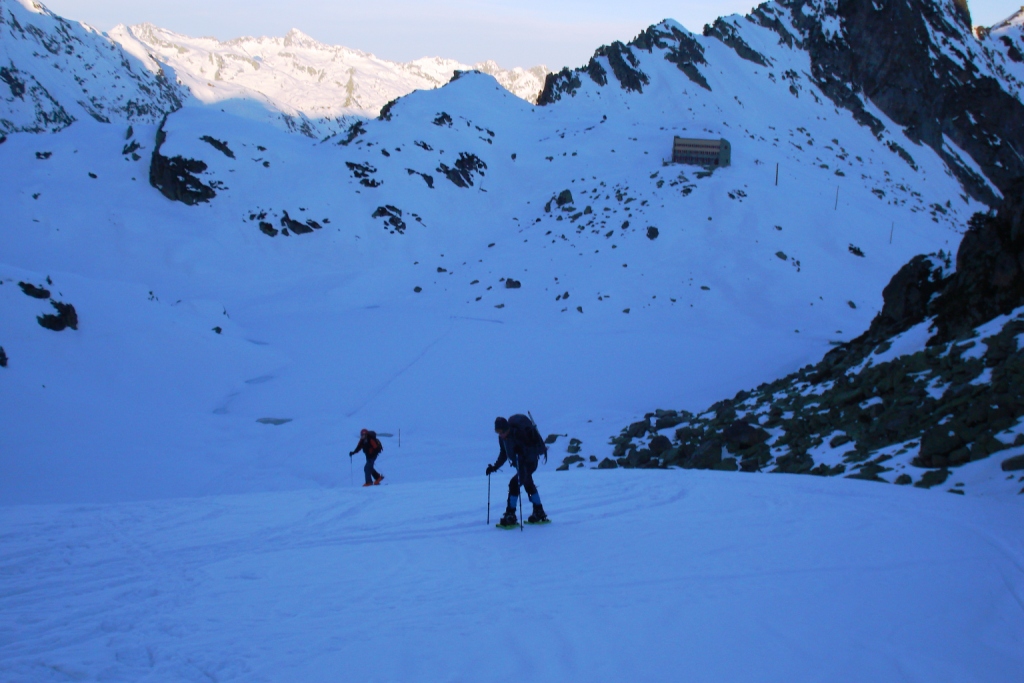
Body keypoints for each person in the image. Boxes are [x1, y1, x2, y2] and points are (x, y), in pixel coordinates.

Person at [486, 415, 549, 525]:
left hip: (529, 463)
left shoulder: (519, 434)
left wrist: (521, 451)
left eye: (501, 431)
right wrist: (495, 467)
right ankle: (539, 511)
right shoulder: (502, 438)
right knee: (528, 484)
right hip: (520, 465)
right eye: (498, 432)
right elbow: (504, 453)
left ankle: (510, 514)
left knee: (514, 483)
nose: (500, 434)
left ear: (507, 428)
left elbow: (530, 449)